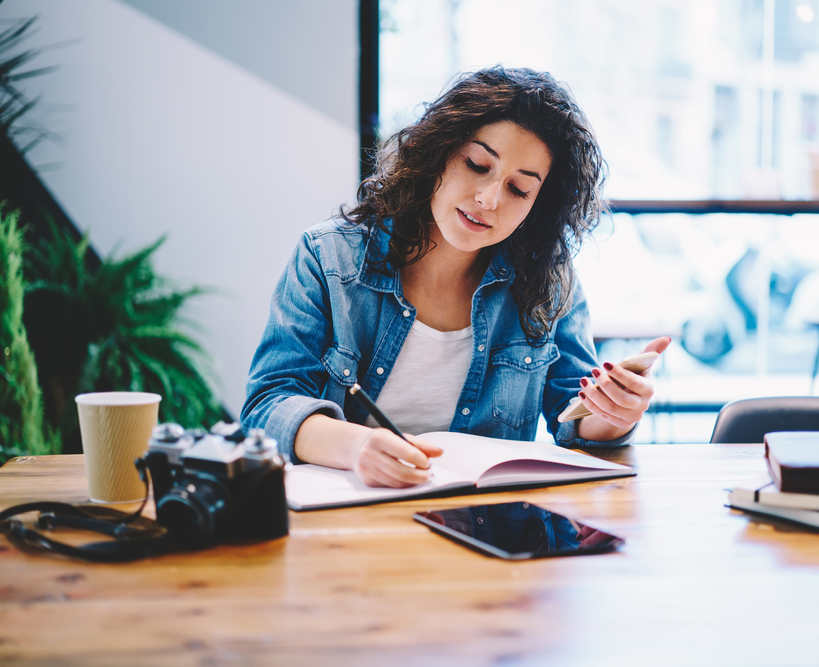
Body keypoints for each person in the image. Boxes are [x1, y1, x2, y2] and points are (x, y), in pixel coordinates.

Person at [241, 65, 670, 488]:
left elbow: (572, 418)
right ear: (440, 153)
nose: (488, 199)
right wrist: (356, 447)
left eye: (519, 190)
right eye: (477, 164)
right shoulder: (329, 257)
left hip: (485, 527)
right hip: (346, 526)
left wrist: (614, 413)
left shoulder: (546, 282)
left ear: (538, 205)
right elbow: (267, 405)